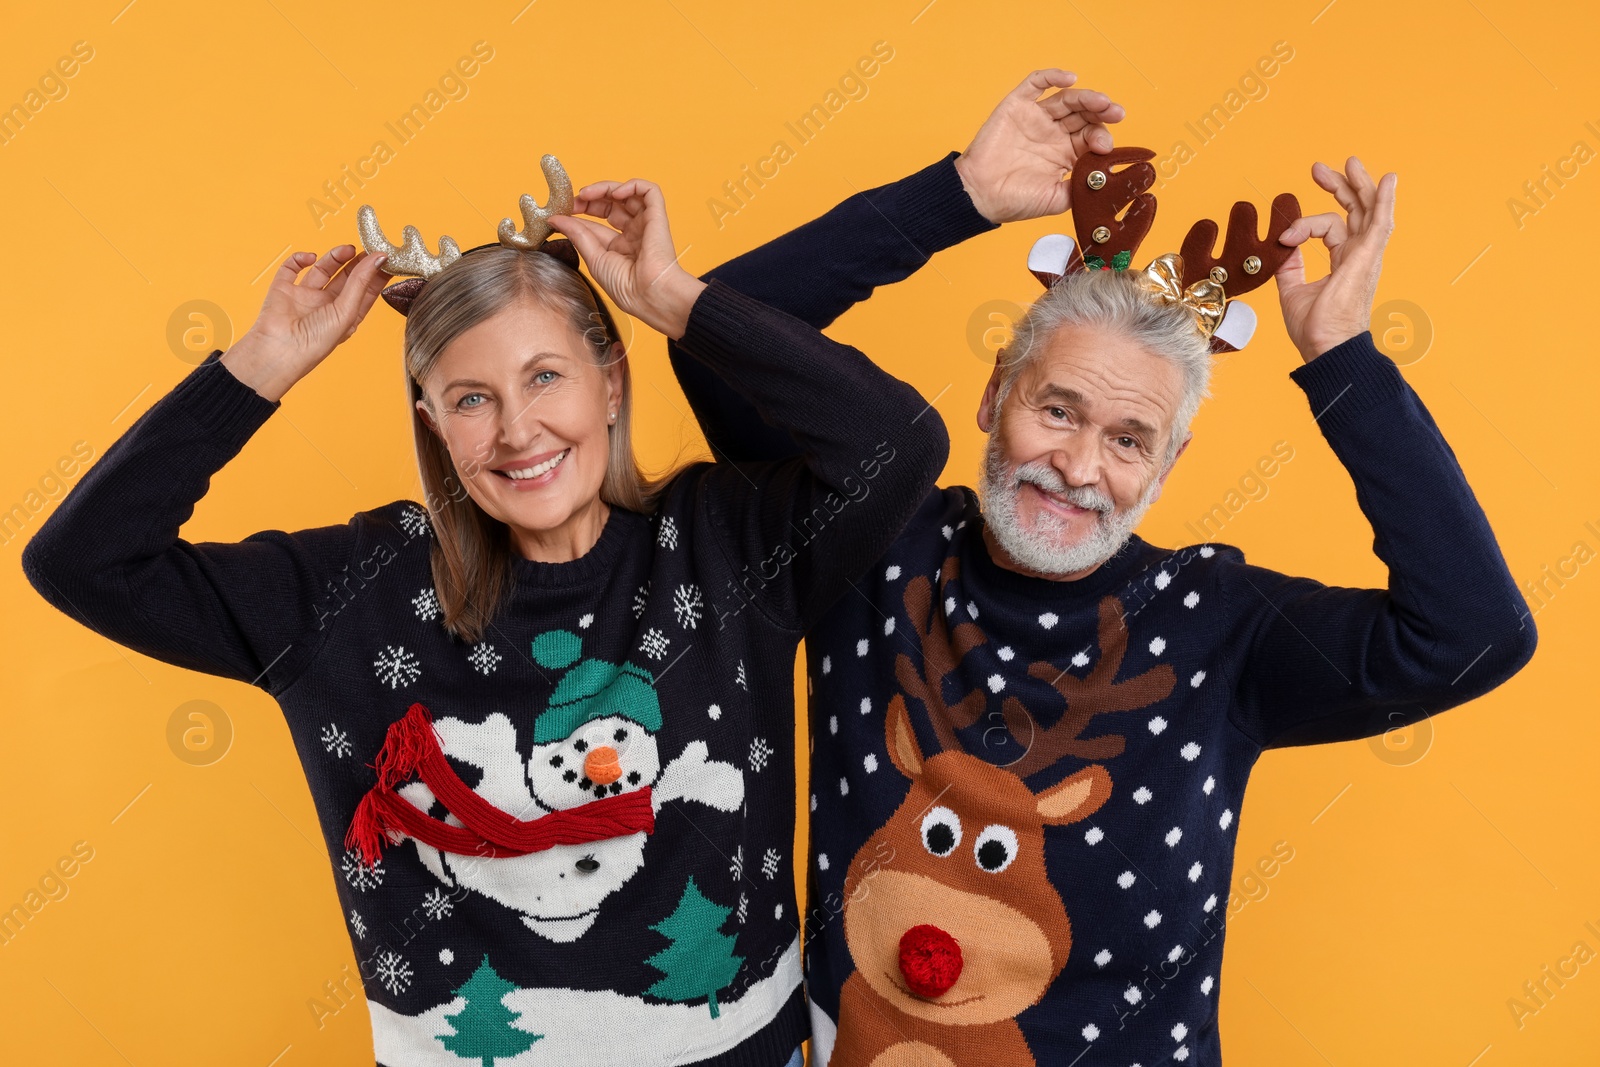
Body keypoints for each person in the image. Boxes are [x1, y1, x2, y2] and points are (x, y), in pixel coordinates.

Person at [667, 70, 1538, 1064]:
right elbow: (715, 331)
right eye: (1058, 410)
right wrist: (958, 194)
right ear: (996, 392)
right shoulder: (872, 533)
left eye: (1129, 440)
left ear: (1166, 467)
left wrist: (1340, 355)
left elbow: (1473, 631)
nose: (1078, 467)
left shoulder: (1221, 623)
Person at [21, 165, 950, 1066]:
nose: (517, 430)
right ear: (432, 422)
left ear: (612, 382)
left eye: (547, 377)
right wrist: (263, 363)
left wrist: (668, 295)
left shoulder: (727, 544)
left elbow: (897, 442)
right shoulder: (353, 592)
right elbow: (82, 561)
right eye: (472, 399)